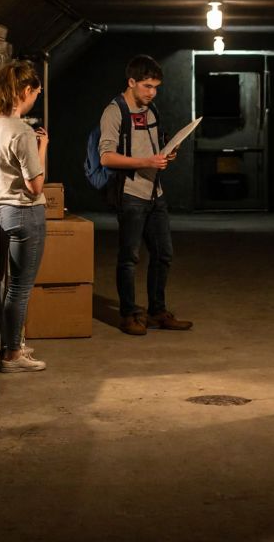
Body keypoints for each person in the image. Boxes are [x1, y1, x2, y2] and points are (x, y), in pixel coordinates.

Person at [98, 54, 193, 336]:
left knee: (164, 254)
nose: (152, 93)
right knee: (129, 258)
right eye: (147, 86)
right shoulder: (114, 112)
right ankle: (128, 315)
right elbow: (106, 157)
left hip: (155, 192)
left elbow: (153, 146)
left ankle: (157, 311)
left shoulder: (151, 111)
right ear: (131, 82)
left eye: (156, 88)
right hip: (131, 194)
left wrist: (167, 153)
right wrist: (147, 162)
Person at [0, 60, 50, 372]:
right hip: (25, 213)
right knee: (20, 288)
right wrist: (43, 147)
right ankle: (12, 355)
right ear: (25, 91)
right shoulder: (22, 132)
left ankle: (12, 342)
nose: (36, 97)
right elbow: (35, 186)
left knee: (4, 285)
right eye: (36, 92)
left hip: (0, 212)